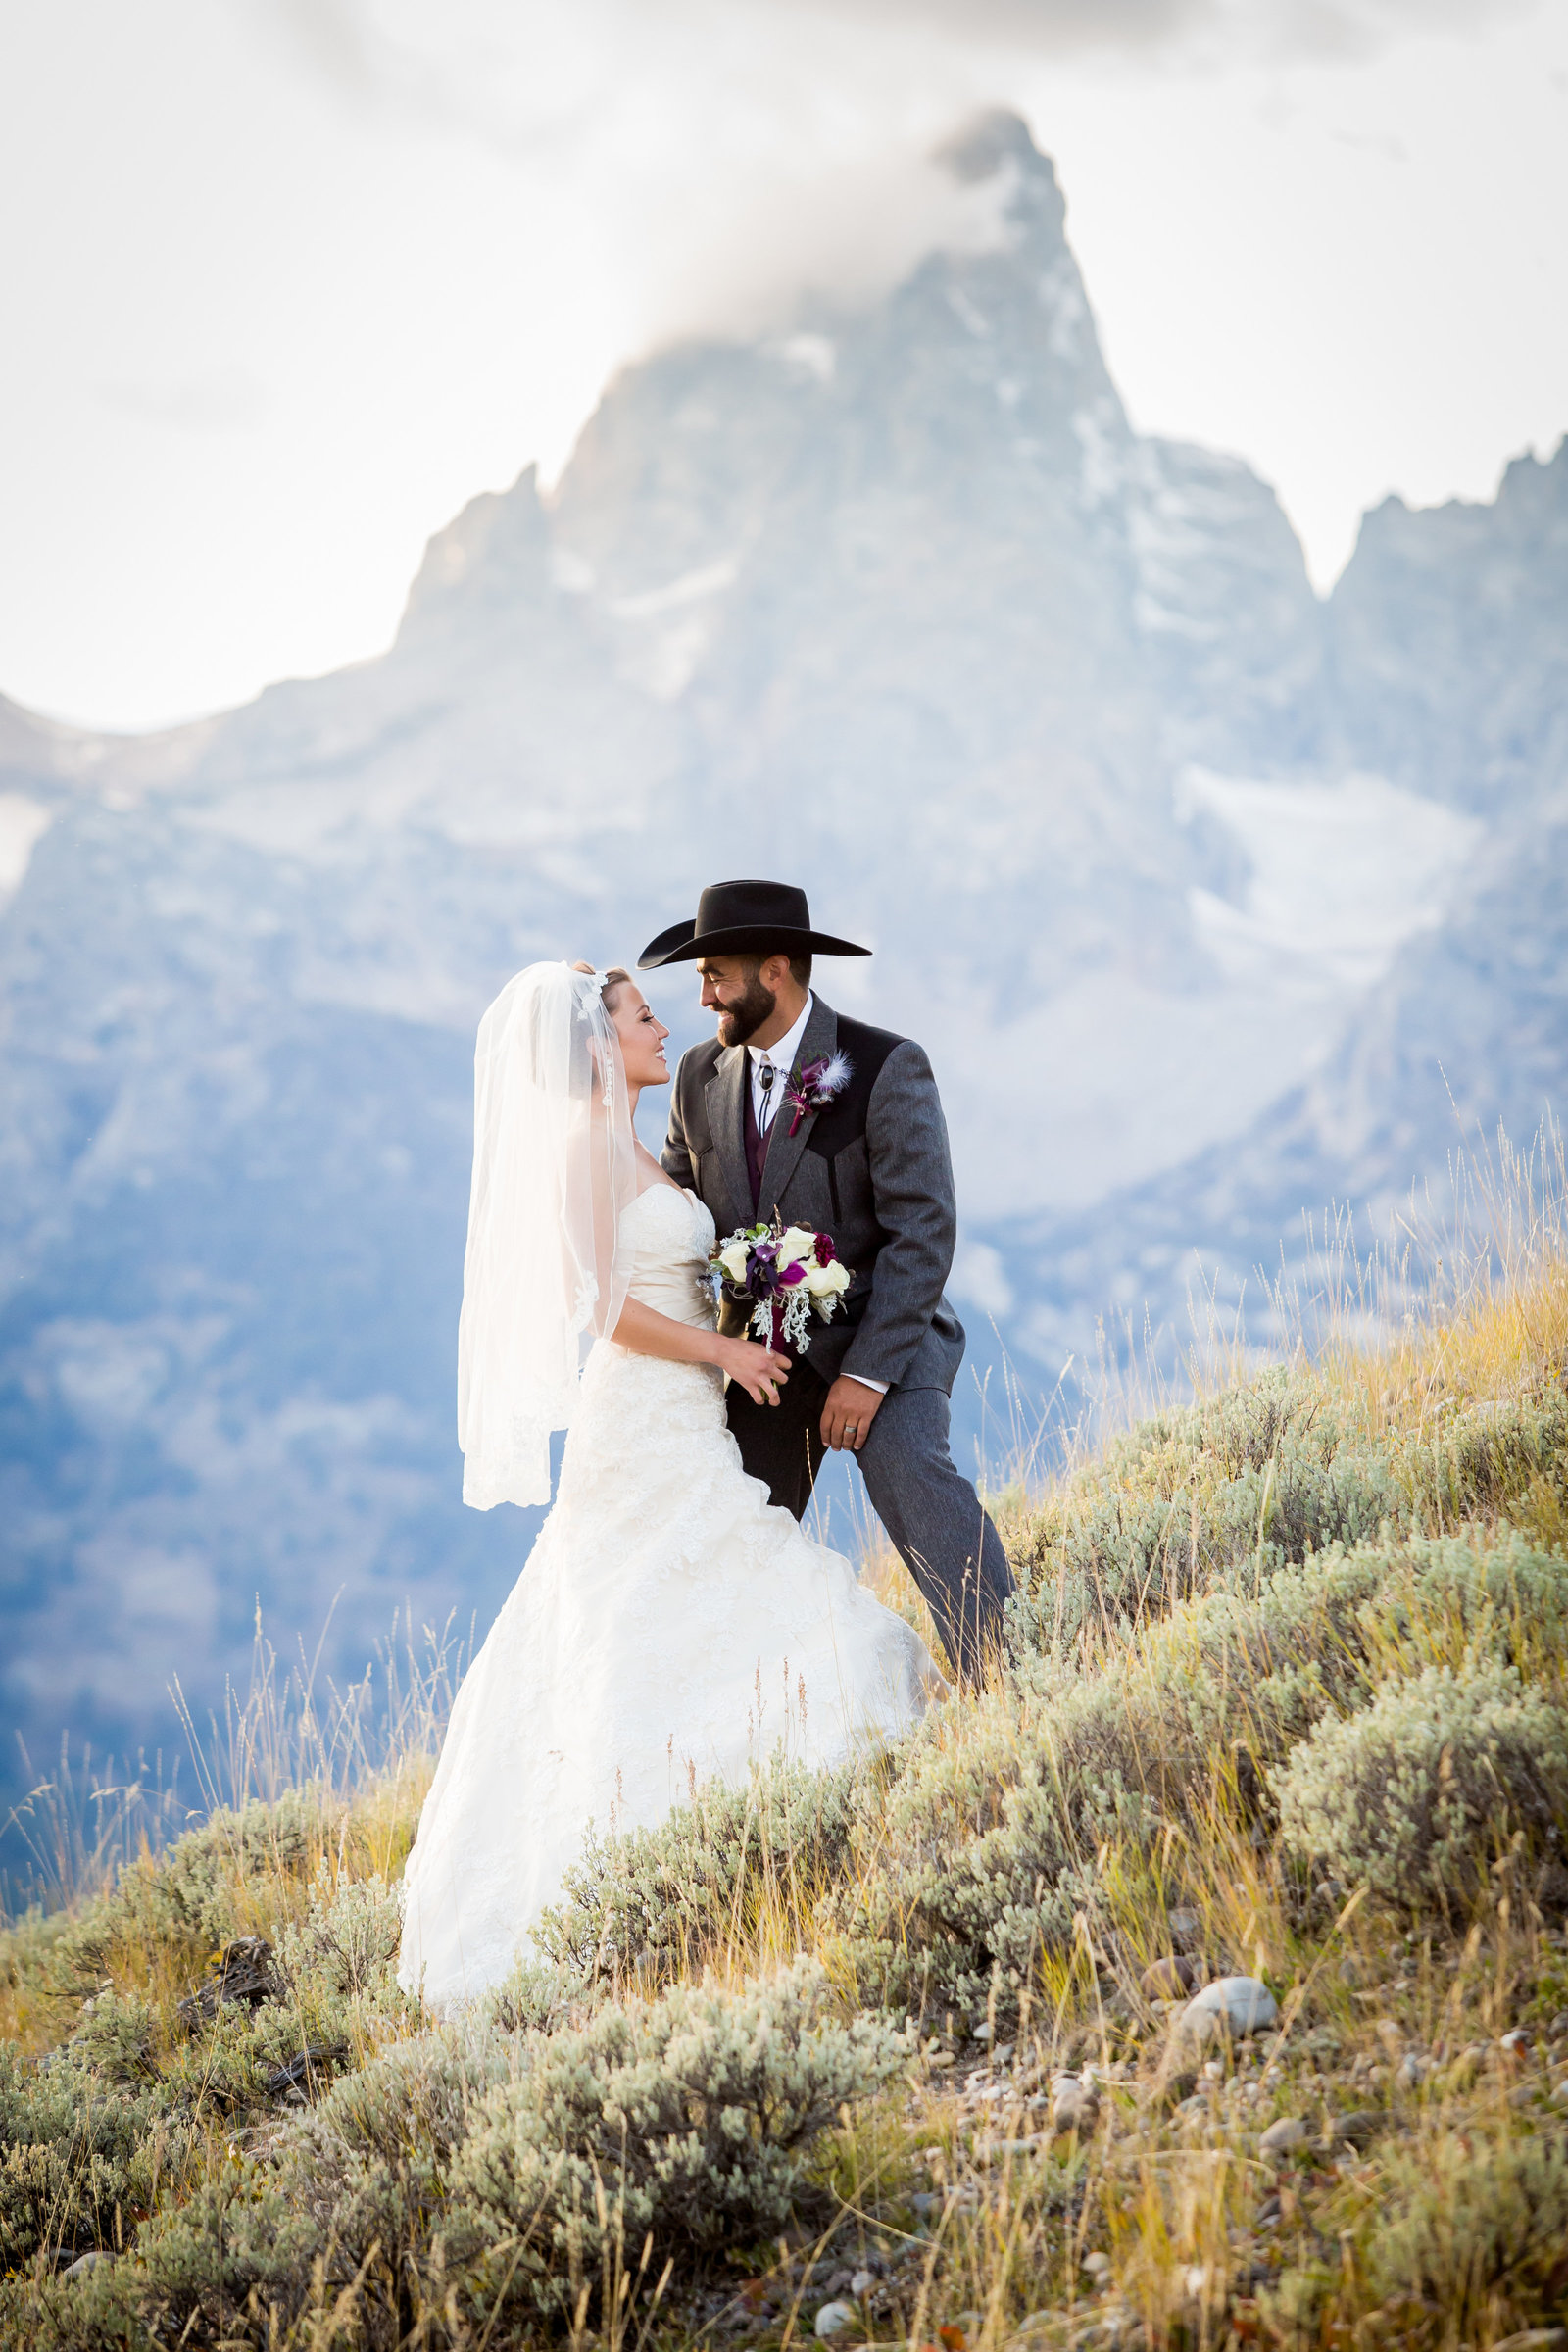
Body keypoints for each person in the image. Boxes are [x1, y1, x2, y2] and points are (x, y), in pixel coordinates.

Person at [396, 958, 939, 2012]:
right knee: (654, 1618)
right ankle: (627, 1868)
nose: (662, 1028)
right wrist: (726, 1354)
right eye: (641, 1017)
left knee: (690, 1611)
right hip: (640, 1425)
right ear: (601, 1047)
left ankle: (747, 1846)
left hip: (685, 1417)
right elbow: (600, 1307)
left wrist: (766, 1293)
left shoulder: (642, 1151)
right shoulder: (576, 1156)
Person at [644, 878, 1013, 1687]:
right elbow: (678, 1211)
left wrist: (868, 1373)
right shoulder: (699, 1077)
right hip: (767, 1361)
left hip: (885, 1337)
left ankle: (1015, 1681)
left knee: (914, 1481)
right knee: (729, 1520)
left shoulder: (887, 1066)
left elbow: (924, 1233)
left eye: (718, 977)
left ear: (776, 971)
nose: (702, 997)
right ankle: (735, 1714)